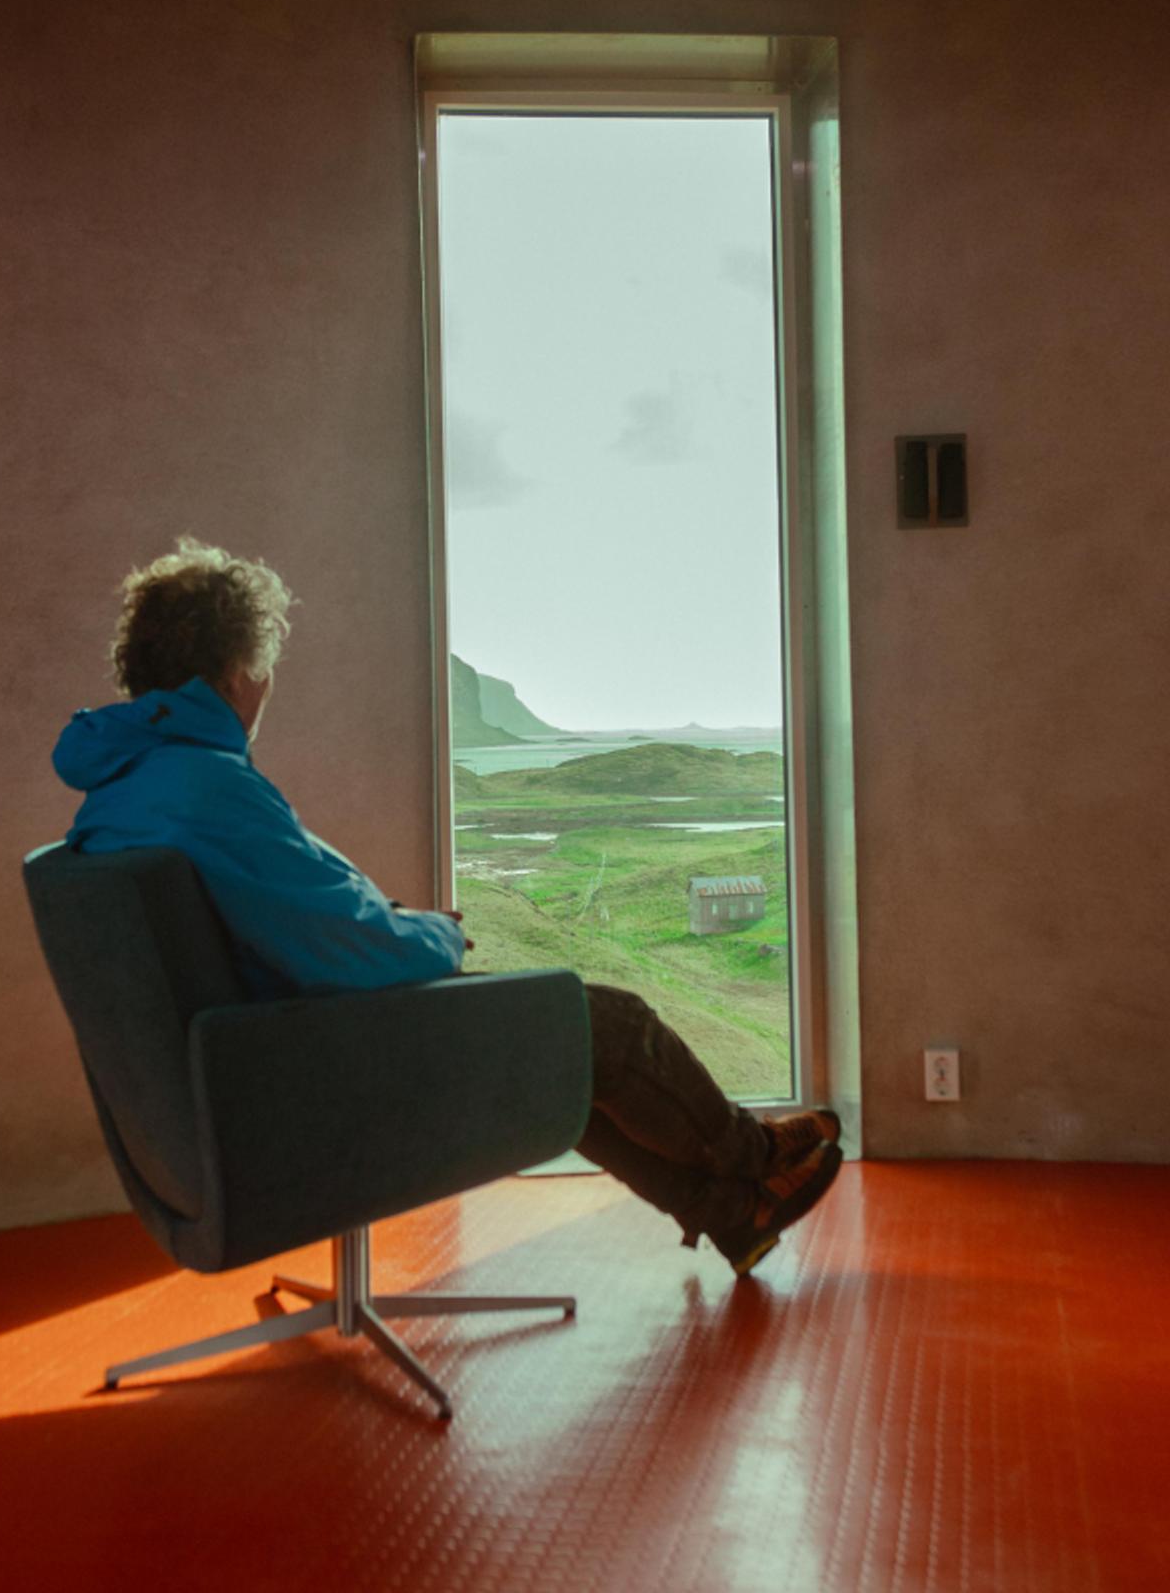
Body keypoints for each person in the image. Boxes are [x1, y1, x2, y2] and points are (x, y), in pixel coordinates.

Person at [54, 537, 843, 1274]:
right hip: (327, 1072)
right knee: (611, 1025)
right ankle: (753, 1159)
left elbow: (284, 928)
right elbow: (342, 947)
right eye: (261, 667)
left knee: (570, 1048)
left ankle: (734, 1216)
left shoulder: (131, 785)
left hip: (276, 1066)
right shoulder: (207, 786)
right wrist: (434, 933)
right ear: (232, 674)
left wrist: (391, 926)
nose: (263, 686)